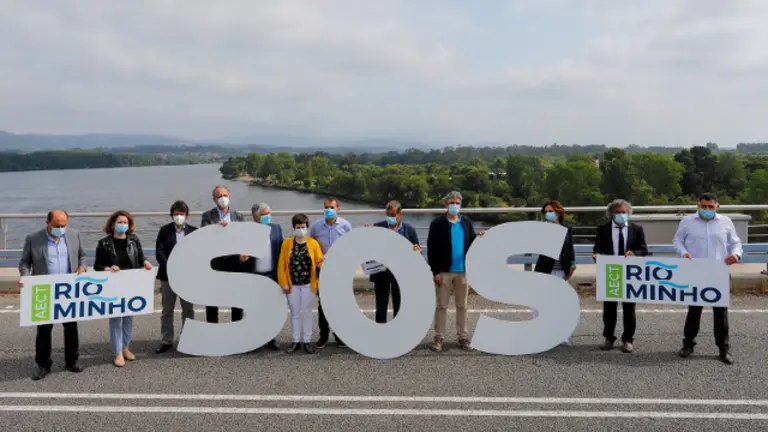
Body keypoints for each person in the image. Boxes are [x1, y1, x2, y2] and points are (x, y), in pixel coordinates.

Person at [18, 209, 87, 380]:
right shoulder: (33, 239)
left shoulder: (74, 235)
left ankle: (72, 360)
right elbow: (25, 262)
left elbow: (82, 256)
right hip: (45, 289)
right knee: (44, 329)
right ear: (47, 223)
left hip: (68, 290)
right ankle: (43, 364)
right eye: (57, 226)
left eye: (64, 225)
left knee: (71, 326)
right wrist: (26, 278)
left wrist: (82, 267)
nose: (61, 229)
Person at [673, 193, 741, 365]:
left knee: (721, 312)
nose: (707, 210)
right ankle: (688, 344)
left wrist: (736, 255)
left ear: (717, 206)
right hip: (696, 271)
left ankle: (723, 348)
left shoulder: (726, 222)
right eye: (704, 206)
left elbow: (735, 243)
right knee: (694, 310)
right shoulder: (687, 221)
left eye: (711, 207)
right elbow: (677, 240)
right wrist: (683, 252)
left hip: (719, 271)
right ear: (698, 205)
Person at [94, 210, 153, 367]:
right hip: (113, 286)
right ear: (113, 224)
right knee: (116, 320)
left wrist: (146, 263)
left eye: (125, 223)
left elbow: (141, 258)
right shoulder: (104, 243)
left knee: (128, 318)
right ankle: (117, 352)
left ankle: (125, 347)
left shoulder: (134, 240)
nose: (122, 225)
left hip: (130, 284)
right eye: (119, 222)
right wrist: (107, 268)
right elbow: (97, 265)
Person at [592, 199, 648, 353]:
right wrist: (596, 254)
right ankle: (609, 338)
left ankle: (628, 339)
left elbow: (644, 250)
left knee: (629, 308)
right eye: (617, 212)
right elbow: (597, 248)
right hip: (611, 271)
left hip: (630, 272)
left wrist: (634, 253)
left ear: (628, 213)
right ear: (611, 214)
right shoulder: (603, 229)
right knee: (609, 307)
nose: (621, 215)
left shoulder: (637, 229)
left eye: (624, 212)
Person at [426, 191, 479, 352]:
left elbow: (473, 243)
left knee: (462, 306)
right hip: (444, 272)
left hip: (463, 272)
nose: (454, 205)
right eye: (451, 202)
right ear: (446, 204)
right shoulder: (437, 224)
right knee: (441, 306)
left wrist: (481, 238)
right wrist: (435, 271)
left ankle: (462, 337)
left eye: (457, 203)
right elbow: (432, 249)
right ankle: (438, 337)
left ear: (460, 204)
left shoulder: (466, 223)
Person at [309, 197, 352, 349]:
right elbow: (311, 246)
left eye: (332, 207)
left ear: (338, 209)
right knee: (323, 303)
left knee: (339, 303)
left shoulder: (346, 226)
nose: (329, 210)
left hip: (339, 269)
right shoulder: (316, 227)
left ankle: (340, 336)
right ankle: (323, 335)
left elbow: (350, 246)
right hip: (322, 269)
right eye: (327, 207)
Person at [155, 200, 197, 354]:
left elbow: (197, 254)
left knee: (188, 309)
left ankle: (189, 339)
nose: (179, 216)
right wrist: (170, 267)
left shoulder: (194, 231)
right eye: (176, 213)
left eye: (182, 214)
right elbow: (159, 252)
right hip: (167, 276)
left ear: (187, 215)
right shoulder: (164, 231)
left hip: (187, 277)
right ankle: (166, 340)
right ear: (171, 215)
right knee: (167, 309)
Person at [278, 213, 323, 354]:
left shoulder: (313, 244)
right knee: (295, 313)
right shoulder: (286, 244)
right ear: (293, 228)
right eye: (298, 227)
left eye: (303, 227)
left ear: (307, 227)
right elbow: (281, 266)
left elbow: (318, 262)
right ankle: (296, 341)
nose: (301, 229)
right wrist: (284, 283)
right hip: (293, 285)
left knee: (308, 313)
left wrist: (324, 261)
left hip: (308, 284)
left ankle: (307, 341)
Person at [239, 202, 282, 351]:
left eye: (269, 213)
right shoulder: (247, 231)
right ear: (255, 216)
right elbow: (241, 254)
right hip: (254, 275)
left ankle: (271, 338)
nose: (268, 217)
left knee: (271, 310)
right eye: (264, 214)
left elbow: (281, 252)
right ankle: (255, 339)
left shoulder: (277, 229)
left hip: (272, 275)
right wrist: (242, 258)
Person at [534, 199, 577, 345]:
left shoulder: (567, 228)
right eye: (546, 212)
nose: (548, 214)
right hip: (544, 270)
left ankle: (561, 334)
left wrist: (572, 264)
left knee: (561, 303)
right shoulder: (541, 229)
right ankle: (539, 333)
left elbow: (570, 248)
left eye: (551, 211)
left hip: (561, 270)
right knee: (542, 302)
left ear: (558, 212)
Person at [370, 200, 421, 323]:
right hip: (381, 271)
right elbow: (369, 248)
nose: (390, 218)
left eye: (393, 215)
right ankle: (381, 333)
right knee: (381, 305)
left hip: (401, 273)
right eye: (388, 215)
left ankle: (398, 334)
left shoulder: (409, 230)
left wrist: (417, 251)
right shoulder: (377, 227)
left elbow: (417, 252)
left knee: (399, 305)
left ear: (400, 214)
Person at [201, 185, 245, 323]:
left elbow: (244, 237)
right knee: (213, 299)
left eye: (225, 195)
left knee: (236, 300)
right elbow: (204, 235)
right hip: (215, 262)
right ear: (214, 199)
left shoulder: (238, 216)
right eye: (219, 196)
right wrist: (217, 228)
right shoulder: (207, 216)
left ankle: (237, 330)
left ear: (229, 196)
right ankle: (213, 331)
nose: (223, 199)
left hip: (234, 261)